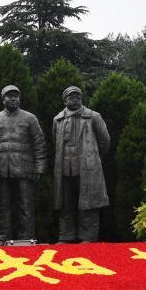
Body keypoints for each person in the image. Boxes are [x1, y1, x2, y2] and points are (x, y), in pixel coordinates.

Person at [0, 85, 46, 244]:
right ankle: (1, 238)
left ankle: (26, 238)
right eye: (9, 96)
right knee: (1, 205)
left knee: (25, 204)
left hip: (24, 168)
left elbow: (39, 143)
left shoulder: (30, 118)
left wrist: (39, 167)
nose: (13, 99)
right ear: (3, 99)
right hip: (0, 169)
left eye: (16, 96)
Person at [53, 86, 110, 243]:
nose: (75, 99)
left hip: (87, 168)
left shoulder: (94, 117)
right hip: (65, 168)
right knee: (66, 203)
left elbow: (104, 141)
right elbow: (55, 142)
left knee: (88, 203)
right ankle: (66, 236)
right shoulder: (57, 119)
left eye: (78, 96)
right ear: (64, 100)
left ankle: (88, 237)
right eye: (71, 97)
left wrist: (93, 158)